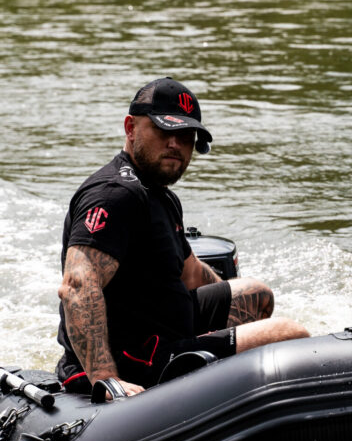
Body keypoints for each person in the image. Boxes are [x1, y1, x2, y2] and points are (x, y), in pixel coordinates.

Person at [55, 76, 309, 397]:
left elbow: (190, 272)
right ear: (131, 128)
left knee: (256, 294)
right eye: (164, 130)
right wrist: (106, 378)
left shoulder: (160, 195)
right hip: (138, 358)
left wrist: (225, 333)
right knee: (292, 334)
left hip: (164, 329)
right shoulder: (115, 194)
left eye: (186, 136)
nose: (176, 144)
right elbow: (78, 285)